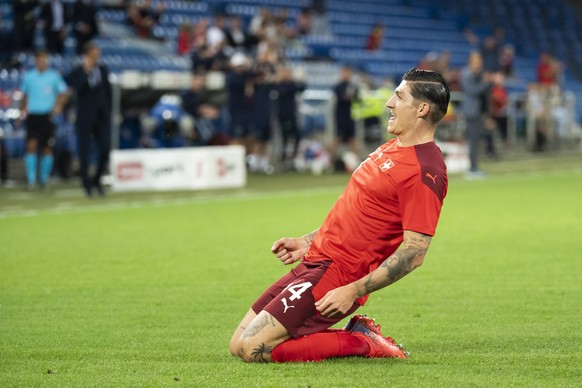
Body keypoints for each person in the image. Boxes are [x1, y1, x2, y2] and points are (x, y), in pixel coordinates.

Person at [230, 68, 450, 363]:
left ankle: (361, 341)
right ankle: (342, 335)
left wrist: (353, 290)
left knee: (254, 349)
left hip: (338, 275)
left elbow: (415, 252)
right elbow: (357, 211)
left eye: (399, 96)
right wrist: (307, 241)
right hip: (316, 260)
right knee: (237, 344)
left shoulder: (425, 171)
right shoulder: (392, 147)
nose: (389, 103)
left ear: (422, 109)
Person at [19, 49, 68, 190]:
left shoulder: (53, 77)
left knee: (48, 148)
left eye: (44, 59)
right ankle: (31, 180)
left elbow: (64, 93)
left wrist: (58, 106)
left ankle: (44, 179)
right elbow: (24, 95)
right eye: (40, 59)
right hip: (33, 115)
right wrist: (21, 112)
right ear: (36, 61)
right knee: (31, 146)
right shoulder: (29, 76)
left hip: (47, 116)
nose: (42, 62)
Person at [67, 42, 111, 197]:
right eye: (94, 50)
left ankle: (97, 179)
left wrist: (109, 111)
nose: (97, 52)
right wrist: (86, 71)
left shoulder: (103, 69)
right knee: (84, 151)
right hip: (85, 116)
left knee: (106, 147)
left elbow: (108, 92)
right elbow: (76, 88)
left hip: (101, 116)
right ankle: (86, 185)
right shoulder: (78, 71)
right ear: (87, 53)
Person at [460, 51, 490, 178]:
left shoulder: (475, 75)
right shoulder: (467, 74)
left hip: (476, 111)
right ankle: (472, 169)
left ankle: (474, 167)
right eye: (477, 61)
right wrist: (486, 83)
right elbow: (473, 91)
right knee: (473, 140)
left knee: (476, 140)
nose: (479, 64)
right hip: (471, 111)